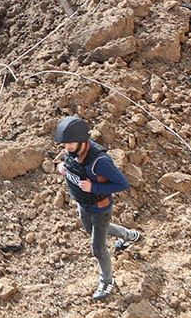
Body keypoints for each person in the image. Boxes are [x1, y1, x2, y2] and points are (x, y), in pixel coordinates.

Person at [54, 115, 142, 301]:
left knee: (98, 248)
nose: (66, 147)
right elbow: (71, 166)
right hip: (83, 204)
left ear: (82, 141)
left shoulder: (100, 161)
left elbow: (122, 184)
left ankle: (107, 280)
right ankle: (129, 235)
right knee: (93, 232)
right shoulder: (73, 151)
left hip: (100, 208)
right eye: (65, 144)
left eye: (70, 143)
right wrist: (63, 167)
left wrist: (94, 187)